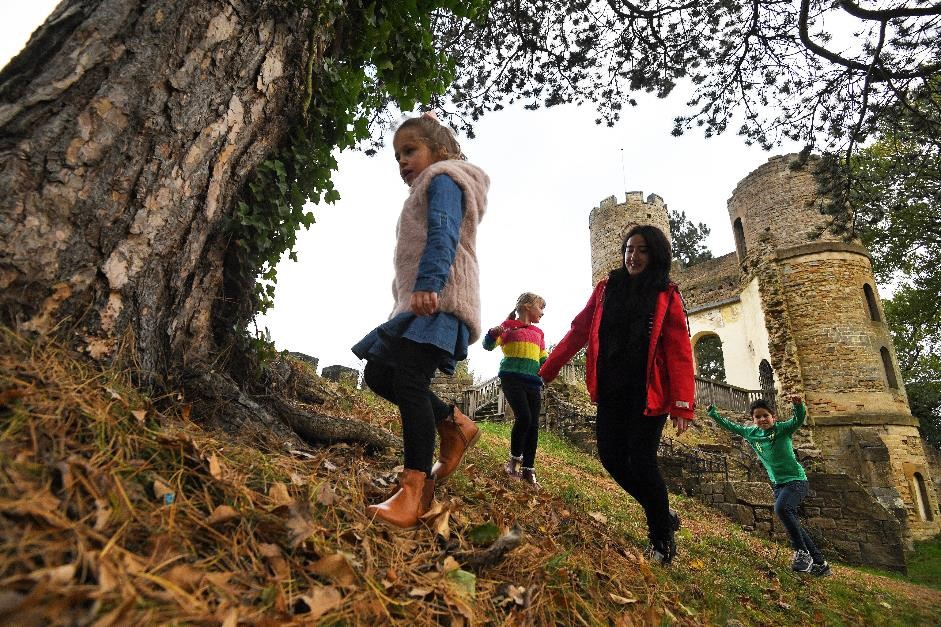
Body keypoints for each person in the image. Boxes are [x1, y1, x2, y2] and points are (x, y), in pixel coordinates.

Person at [352, 112, 489, 529]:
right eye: (397, 157)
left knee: (410, 382)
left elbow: (444, 233)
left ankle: (414, 491)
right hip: (417, 305)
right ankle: (454, 424)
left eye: (410, 151)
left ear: (440, 151)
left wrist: (430, 283)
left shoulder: (445, 178)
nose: (402, 163)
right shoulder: (430, 184)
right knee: (379, 373)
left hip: (438, 300)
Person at [539, 225, 695, 565]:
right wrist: (548, 369)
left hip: (648, 394)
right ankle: (663, 514)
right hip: (611, 389)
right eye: (628, 249)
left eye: (641, 250)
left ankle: (660, 539)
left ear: (654, 255)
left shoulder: (666, 293)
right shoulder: (605, 290)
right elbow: (578, 331)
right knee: (610, 457)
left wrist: (683, 404)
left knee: (641, 461)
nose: (632, 256)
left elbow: (679, 349)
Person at [708, 396, 831, 577]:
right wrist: (713, 414)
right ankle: (821, 564)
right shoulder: (751, 434)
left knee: (781, 509)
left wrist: (798, 405)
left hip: (797, 481)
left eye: (766, 415)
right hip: (778, 485)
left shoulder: (783, 429)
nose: (762, 419)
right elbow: (730, 426)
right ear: (753, 419)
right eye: (757, 417)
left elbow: (798, 419)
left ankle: (803, 553)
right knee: (791, 519)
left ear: (773, 416)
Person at [482, 292, 548, 487]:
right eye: (540, 307)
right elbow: (488, 346)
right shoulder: (508, 327)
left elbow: (543, 356)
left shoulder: (539, 333)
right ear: (527, 306)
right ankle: (514, 462)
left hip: (533, 382)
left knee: (534, 425)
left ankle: (529, 469)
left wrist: (550, 368)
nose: (542, 313)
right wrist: (493, 333)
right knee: (524, 417)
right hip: (511, 378)